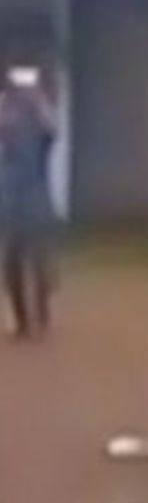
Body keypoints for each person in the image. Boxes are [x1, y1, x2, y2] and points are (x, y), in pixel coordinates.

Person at [0, 67, 58, 341]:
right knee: (12, 261)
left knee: (40, 259)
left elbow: (51, 129)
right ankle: (23, 320)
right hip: (12, 196)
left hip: (35, 194)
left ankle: (42, 312)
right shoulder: (7, 116)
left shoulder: (41, 118)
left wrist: (37, 101)